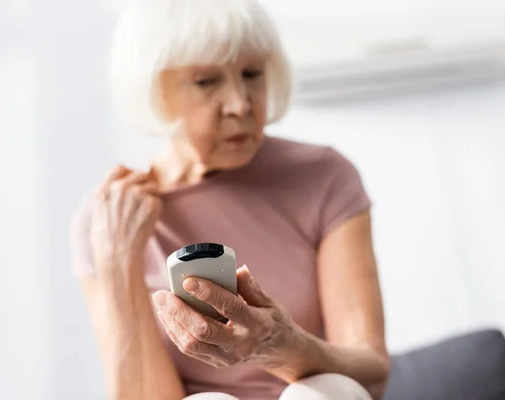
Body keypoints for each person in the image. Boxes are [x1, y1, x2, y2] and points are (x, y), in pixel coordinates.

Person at [69, 0, 390, 399]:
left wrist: (278, 345)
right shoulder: (105, 221)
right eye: (206, 81)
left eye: (252, 74)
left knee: (324, 391)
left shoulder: (325, 177)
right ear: (154, 88)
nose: (240, 104)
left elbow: (372, 375)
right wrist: (118, 265)